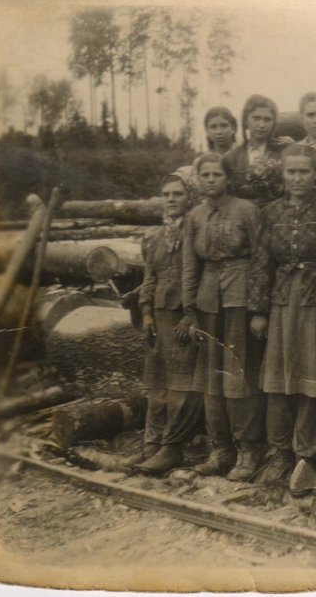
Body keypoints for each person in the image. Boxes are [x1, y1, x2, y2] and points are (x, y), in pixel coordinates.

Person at [249, 144, 316, 485]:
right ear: (283, 175)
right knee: (279, 378)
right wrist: (259, 311)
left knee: (314, 377)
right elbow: (261, 264)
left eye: (304, 171)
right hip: (283, 301)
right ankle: (280, 452)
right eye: (291, 172)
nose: (297, 178)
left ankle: (308, 454)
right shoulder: (269, 212)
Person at [182, 152, 266, 479]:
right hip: (207, 302)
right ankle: (220, 450)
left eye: (217, 174)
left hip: (240, 298)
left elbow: (261, 260)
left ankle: (249, 450)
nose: (211, 179)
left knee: (238, 375)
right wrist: (190, 312)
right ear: (198, 180)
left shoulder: (247, 210)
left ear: (228, 178)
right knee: (211, 378)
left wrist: (259, 309)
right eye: (205, 174)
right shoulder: (194, 216)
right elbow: (190, 267)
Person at [133, 167, 203, 474]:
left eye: (178, 194)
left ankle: (172, 448)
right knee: (156, 383)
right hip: (159, 318)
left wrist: (191, 316)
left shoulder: (197, 234)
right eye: (166, 195)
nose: (171, 199)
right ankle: (151, 445)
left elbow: (201, 278)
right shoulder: (156, 238)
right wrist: (147, 313)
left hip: (184, 319)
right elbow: (150, 277)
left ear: (190, 197)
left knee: (181, 387)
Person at [224, 94, 289, 207]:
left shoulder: (284, 151)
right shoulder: (232, 157)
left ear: (274, 123)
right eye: (256, 118)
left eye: (267, 119)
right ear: (246, 121)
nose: (261, 125)